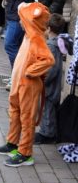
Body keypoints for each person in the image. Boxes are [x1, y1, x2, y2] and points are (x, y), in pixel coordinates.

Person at [0, 2, 54, 166]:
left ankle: (25, 153)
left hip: (28, 85)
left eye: (22, 19)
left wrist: (30, 72)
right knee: (15, 113)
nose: (20, 21)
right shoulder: (28, 36)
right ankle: (12, 143)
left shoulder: (36, 38)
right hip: (18, 84)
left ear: (30, 21)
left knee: (27, 118)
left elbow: (48, 60)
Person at [35, 13, 66, 144]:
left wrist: (42, 80)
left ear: (48, 29)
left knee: (47, 109)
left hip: (49, 86)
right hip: (54, 85)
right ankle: (48, 131)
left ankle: (47, 134)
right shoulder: (58, 43)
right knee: (49, 108)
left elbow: (50, 69)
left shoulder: (51, 46)